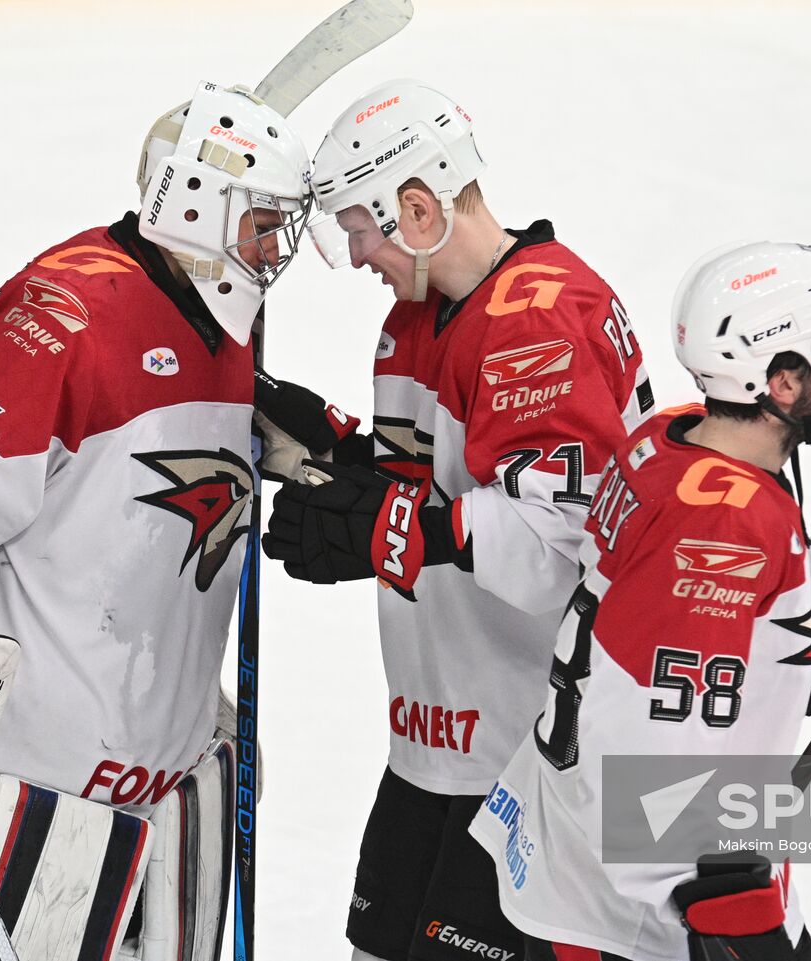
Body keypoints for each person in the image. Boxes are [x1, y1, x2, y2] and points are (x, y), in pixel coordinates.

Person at [0, 80, 312, 959]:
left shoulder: (219, 321)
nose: (275, 246)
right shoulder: (63, 319)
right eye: (261, 220)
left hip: (168, 799)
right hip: (41, 802)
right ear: (195, 208)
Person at [467, 241, 811, 961]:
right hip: (639, 916)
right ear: (780, 381)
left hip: (580, 857)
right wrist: (727, 912)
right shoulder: (730, 523)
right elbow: (645, 728)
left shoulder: (672, 440)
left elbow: (725, 612)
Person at [255, 80, 656, 961]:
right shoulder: (422, 314)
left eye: (358, 228)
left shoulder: (535, 319)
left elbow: (560, 539)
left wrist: (386, 531)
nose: (355, 254)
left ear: (416, 207)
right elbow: (438, 473)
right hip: (442, 742)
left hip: (531, 761)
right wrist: (329, 452)